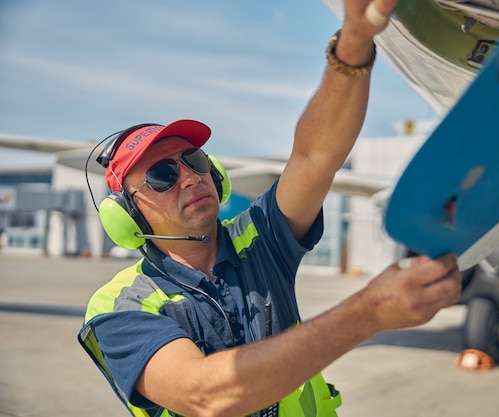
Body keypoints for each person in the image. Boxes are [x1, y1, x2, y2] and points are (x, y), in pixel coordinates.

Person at [78, 1, 462, 416]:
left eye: (195, 160)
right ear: (126, 215)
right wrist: (366, 313)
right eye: (161, 176)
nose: (189, 177)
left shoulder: (257, 240)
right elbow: (204, 395)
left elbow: (314, 158)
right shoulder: (120, 306)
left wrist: (354, 40)